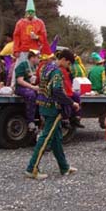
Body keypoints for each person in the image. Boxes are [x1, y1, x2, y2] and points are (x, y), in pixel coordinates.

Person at [26, 49, 79, 180]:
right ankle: (32, 168)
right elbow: (57, 91)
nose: (69, 66)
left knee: (56, 138)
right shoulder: (57, 71)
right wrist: (72, 103)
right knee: (45, 138)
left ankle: (64, 167)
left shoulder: (46, 66)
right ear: (65, 60)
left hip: (43, 106)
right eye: (69, 63)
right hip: (53, 109)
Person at [12, 0, 50, 86]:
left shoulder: (39, 23)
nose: (30, 14)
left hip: (35, 50)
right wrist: (16, 50)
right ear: (26, 12)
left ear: (34, 12)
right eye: (28, 12)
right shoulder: (20, 23)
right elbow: (16, 37)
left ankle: (38, 84)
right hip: (23, 50)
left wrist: (37, 37)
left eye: (32, 12)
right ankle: (14, 85)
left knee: (36, 69)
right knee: (19, 67)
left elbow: (44, 37)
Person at [14, 49, 40, 132]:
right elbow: (20, 81)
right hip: (21, 88)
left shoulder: (36, 67)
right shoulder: (23, 65)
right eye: (37, 57)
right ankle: (30, 121)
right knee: (31, 94)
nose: (39, 59)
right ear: (32, 58)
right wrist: (33, 87)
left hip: (32, 87)